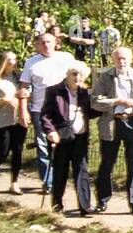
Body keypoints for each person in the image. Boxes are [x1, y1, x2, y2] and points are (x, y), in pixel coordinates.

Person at [90, 44, 133, 215]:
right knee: (107, 163)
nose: (121, 61)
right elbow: (94, 101)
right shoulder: (105, 77)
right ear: (113, 60)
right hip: (112, 124)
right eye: (118, 58)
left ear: (131, 60)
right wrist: (116, 101)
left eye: (124, 58)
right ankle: (102, 200)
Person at [18, 30, 75, 194]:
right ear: (37, 45)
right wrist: (23, 111)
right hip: (40, 110)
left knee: (63, 144)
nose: (46, 45)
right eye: (42, 43)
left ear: (56, 43)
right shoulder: (31, 62)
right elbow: (24, 88)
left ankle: (61, 177)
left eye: (49, 42)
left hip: (63, 109)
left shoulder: (66, 58)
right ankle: (48, 182)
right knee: (43, 145)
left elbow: (78, 78)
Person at [40, 61, 95, 215]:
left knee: (81, 170)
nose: (77, 77)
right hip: (62, 138)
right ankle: (57, 204)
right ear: (67, 75)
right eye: (74, 74)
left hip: (80, 137)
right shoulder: (54, 91)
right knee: (60, 171)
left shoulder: (84, 93)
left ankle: (85, 206)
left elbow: (91, 112)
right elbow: (45, 115)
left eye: (80, 75)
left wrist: (109, 105)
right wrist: (50, 131)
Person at [0, 50, 27, 193]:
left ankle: (14, 183)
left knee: (18, 150)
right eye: (11, 60)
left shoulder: (20, 77)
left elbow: (28, 92)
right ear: (4, 63)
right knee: (3, 149)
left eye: (15, 59)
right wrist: (3, 100)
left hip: (19, 118)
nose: (14, 62)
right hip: (2, 120)